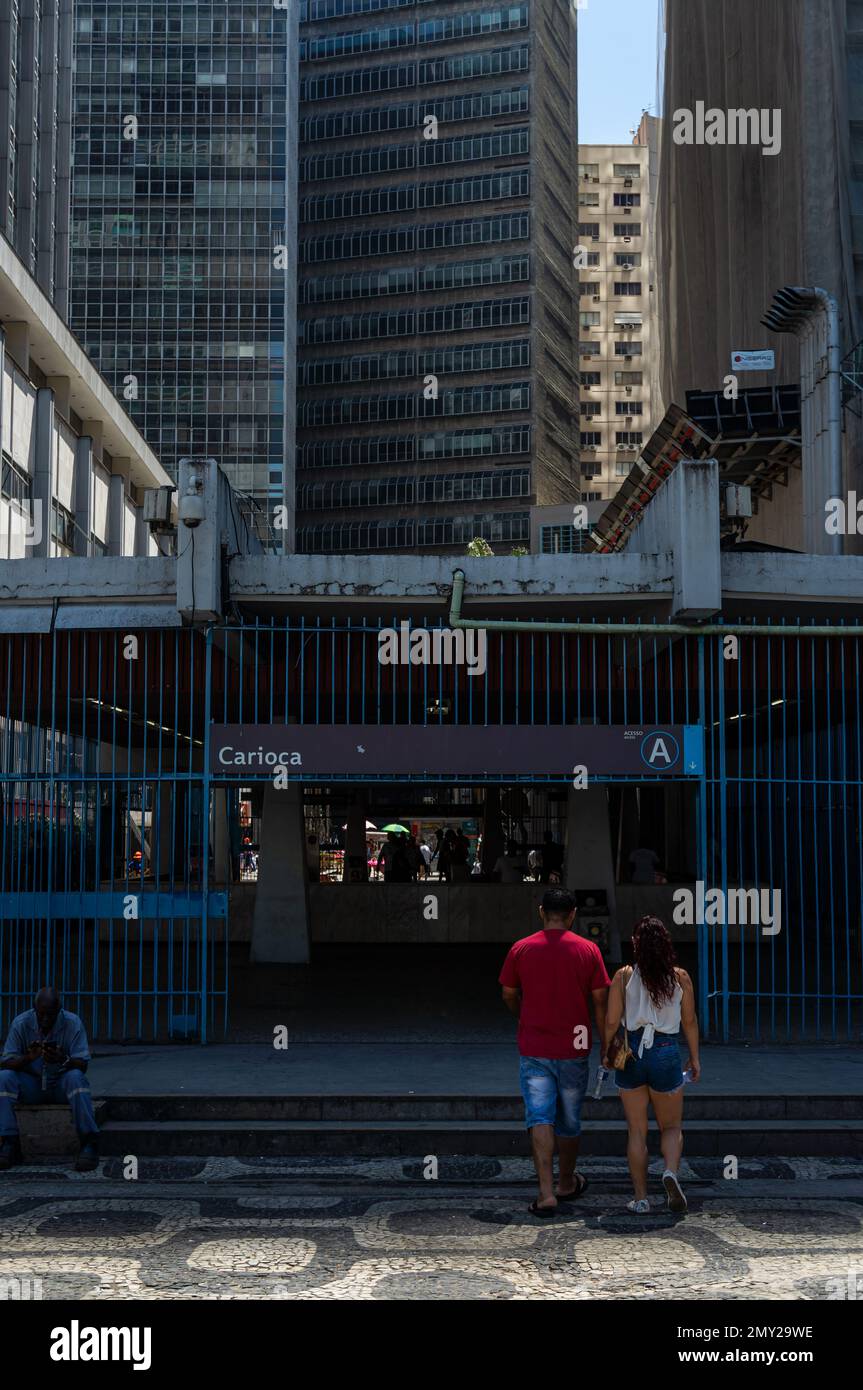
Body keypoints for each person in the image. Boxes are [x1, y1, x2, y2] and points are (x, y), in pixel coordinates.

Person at [499, 887, 610, 1216]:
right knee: (570, 1119)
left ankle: (546, 1192)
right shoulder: (588, 950)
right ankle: (566, 1182)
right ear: (573, 914)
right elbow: (601, 1001)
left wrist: (522, 1014)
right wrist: (607, 1043)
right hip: (575, 1044)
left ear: (541, 911)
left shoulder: (521, 948)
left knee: (540, 1116)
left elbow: (508, 992)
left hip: (535, 1044)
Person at [603, 915, 701, 1215]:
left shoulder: (623, 976)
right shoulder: (680, 976)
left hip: (632, 1052)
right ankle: (670, 1172)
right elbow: (690, 1021)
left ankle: (641, 1198)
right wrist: (694, 1058)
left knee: (636, 1130)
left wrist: (607, 1052)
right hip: (666, 1051)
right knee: (671, 1126)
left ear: (636, 944)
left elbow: (610, 1021)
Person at [0, 986, 100, 1172]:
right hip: (33, 1085)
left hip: (60, 1083)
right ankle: (9, 1142)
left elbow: (83, 1065)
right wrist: (28, 1058)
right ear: (34, 1009)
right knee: (4, 1078)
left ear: (59, 1010)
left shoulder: (72, 1023)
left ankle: (89, 1141)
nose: (46, 1020)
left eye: (51, 1015)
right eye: (41, 1015)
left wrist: (63, 1058)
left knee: (77, 1079)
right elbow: (5, 1062)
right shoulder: (21, 1023)